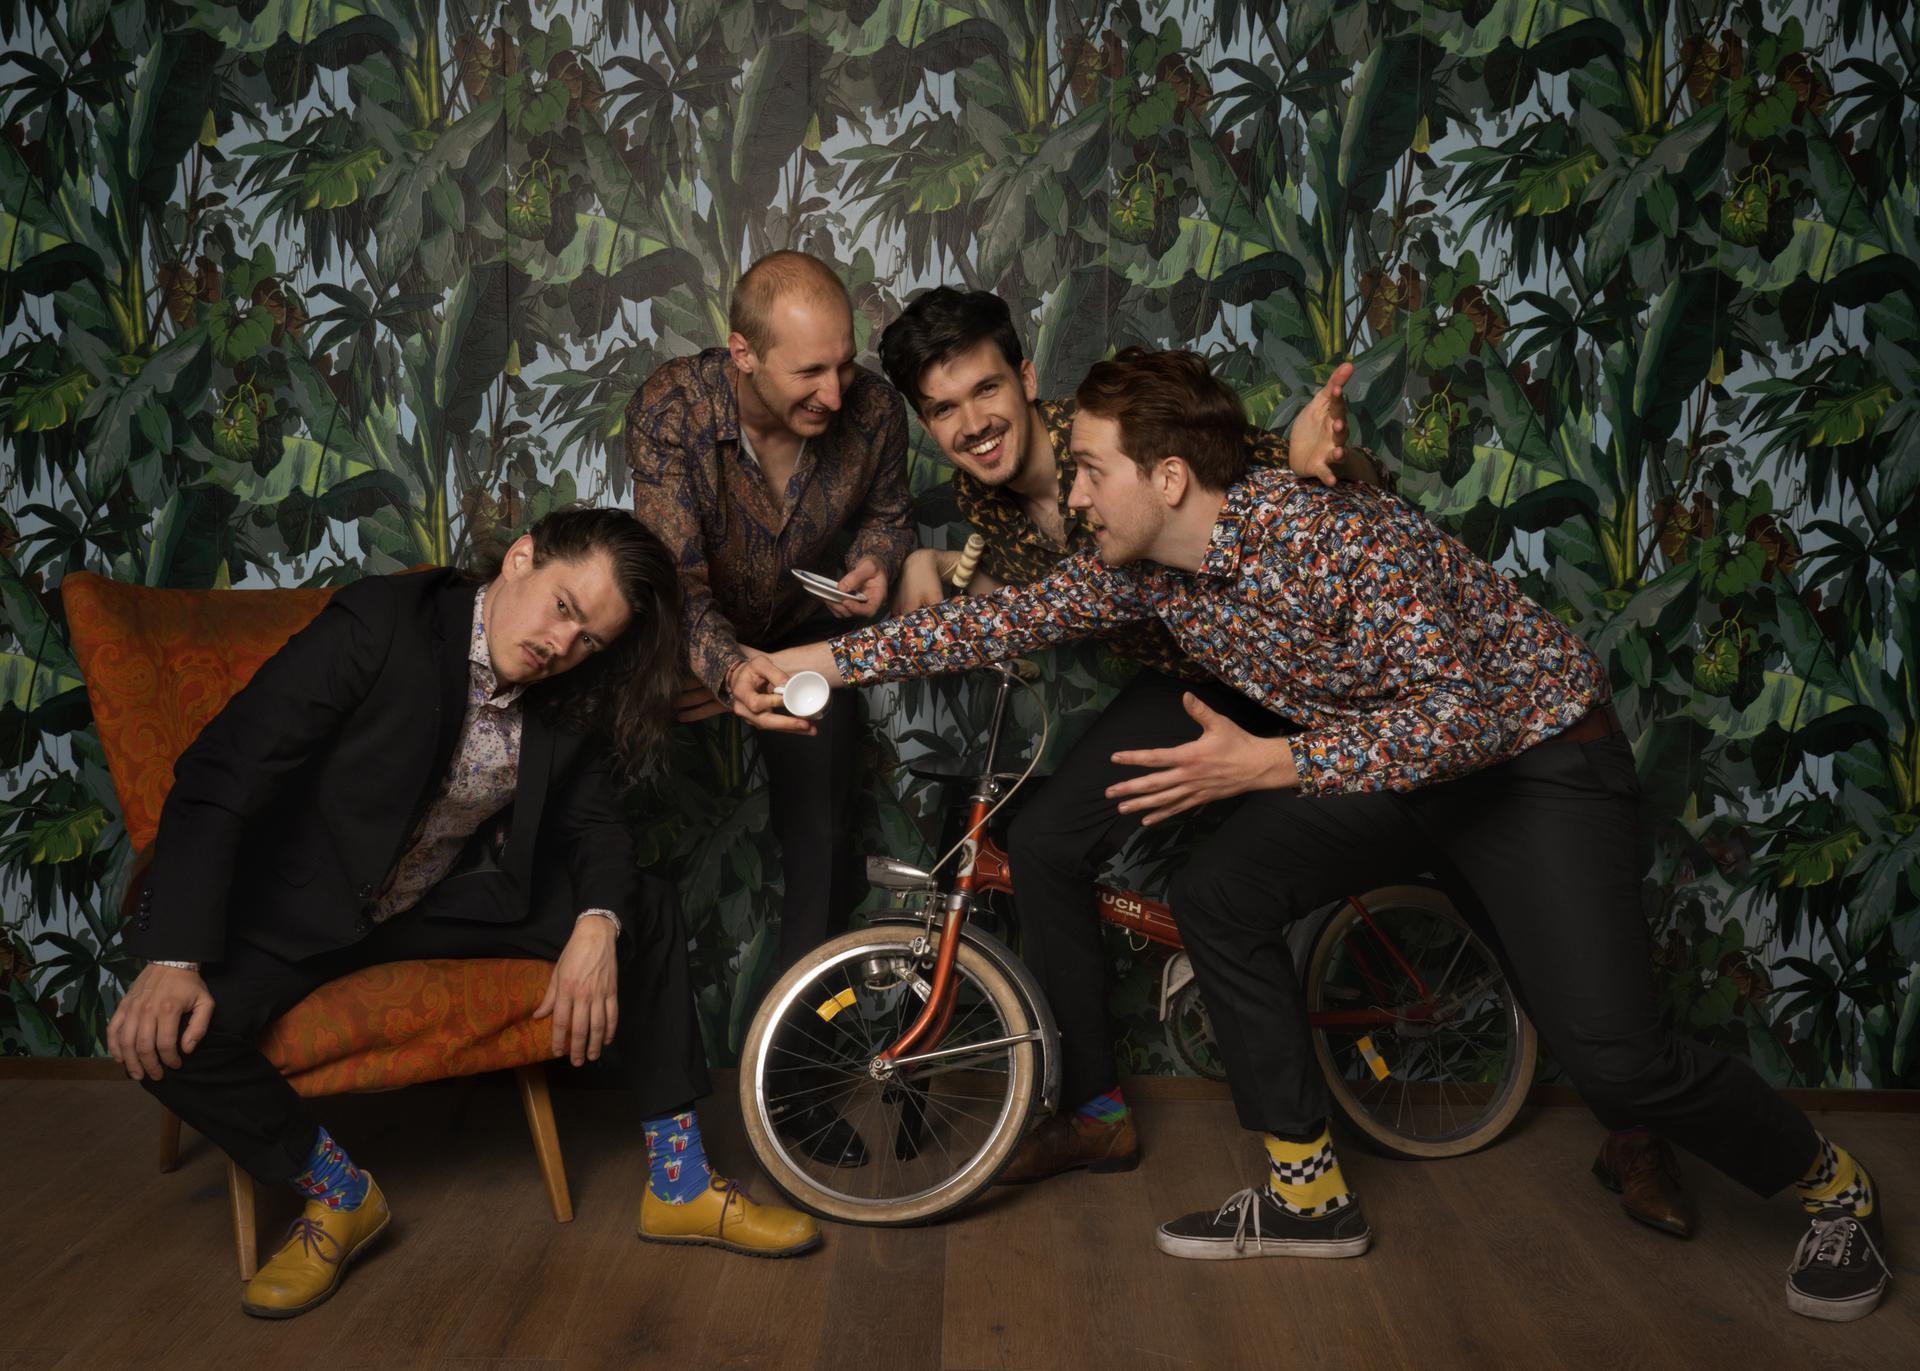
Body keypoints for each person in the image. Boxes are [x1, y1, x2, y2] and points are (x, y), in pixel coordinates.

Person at [763, 350, 1886, 1322]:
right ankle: (1308, 1197)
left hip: (1533, 765)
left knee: (1619, 1057)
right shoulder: (1149, 575)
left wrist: (1271, 763)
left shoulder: (1329, 534)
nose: (1077, 495)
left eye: (1092, 469)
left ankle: (1834, 1191)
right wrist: (791, 666)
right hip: (1387, 767)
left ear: (1168, 477)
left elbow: (1463, 716)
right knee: (1221, 896)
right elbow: (986, 623)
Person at [108, 509, 820, 1321]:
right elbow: (221, 773)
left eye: (589, 639)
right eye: (563, 606)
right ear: (520, 557)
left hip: (428, 902)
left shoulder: (569, 686)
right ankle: (339, 1195)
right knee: (161, 1042)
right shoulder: (383, 622)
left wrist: (596, 922)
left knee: (641, 905)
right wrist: (175, 957)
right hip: (294, 909)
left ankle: (681, 1185)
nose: (563, 644)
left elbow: (595, 825)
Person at [875, 286, 1358, 1183]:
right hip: (1193, 676)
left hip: (1290, 667)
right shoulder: (981, 497)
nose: (972, 424)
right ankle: (1096, 1112)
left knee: (1236, 879)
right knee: (1043, 842)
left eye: (986, 389)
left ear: (1026, 377)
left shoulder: (1115, 432)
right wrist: (924, 560)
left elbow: (1267, 478)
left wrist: (1309, 460)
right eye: (942, 410)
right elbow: (1032, 598)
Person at [625, 250, 912, 1168]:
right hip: (683, 644)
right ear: (742, 353)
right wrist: (724, 670)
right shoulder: (670, 407)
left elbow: (891, 514)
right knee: (616, 838)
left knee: (821, 847)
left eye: (845, 364)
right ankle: (655, 1107)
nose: (835, 391)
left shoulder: (874, 409)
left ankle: (799, 1090)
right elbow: (674, 580)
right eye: (809, 371)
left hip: (808, 647)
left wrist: (876, 560)